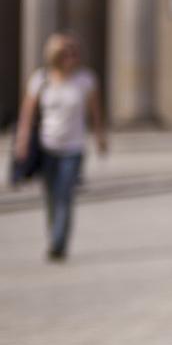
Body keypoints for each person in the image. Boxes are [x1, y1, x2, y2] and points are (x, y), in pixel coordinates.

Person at [12, 32, 106, 261]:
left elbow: (95, 113)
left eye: (74, 53)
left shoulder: (85, 80)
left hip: (73, 147)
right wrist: (22, 142)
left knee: (64, 194)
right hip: (47, 145)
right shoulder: (40, 79)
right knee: (51, 196)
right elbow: (27, 114)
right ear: (55, 56)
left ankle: (58, 243)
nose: (71, 57)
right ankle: (55, 234)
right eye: (66, 53)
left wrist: (100, 137)